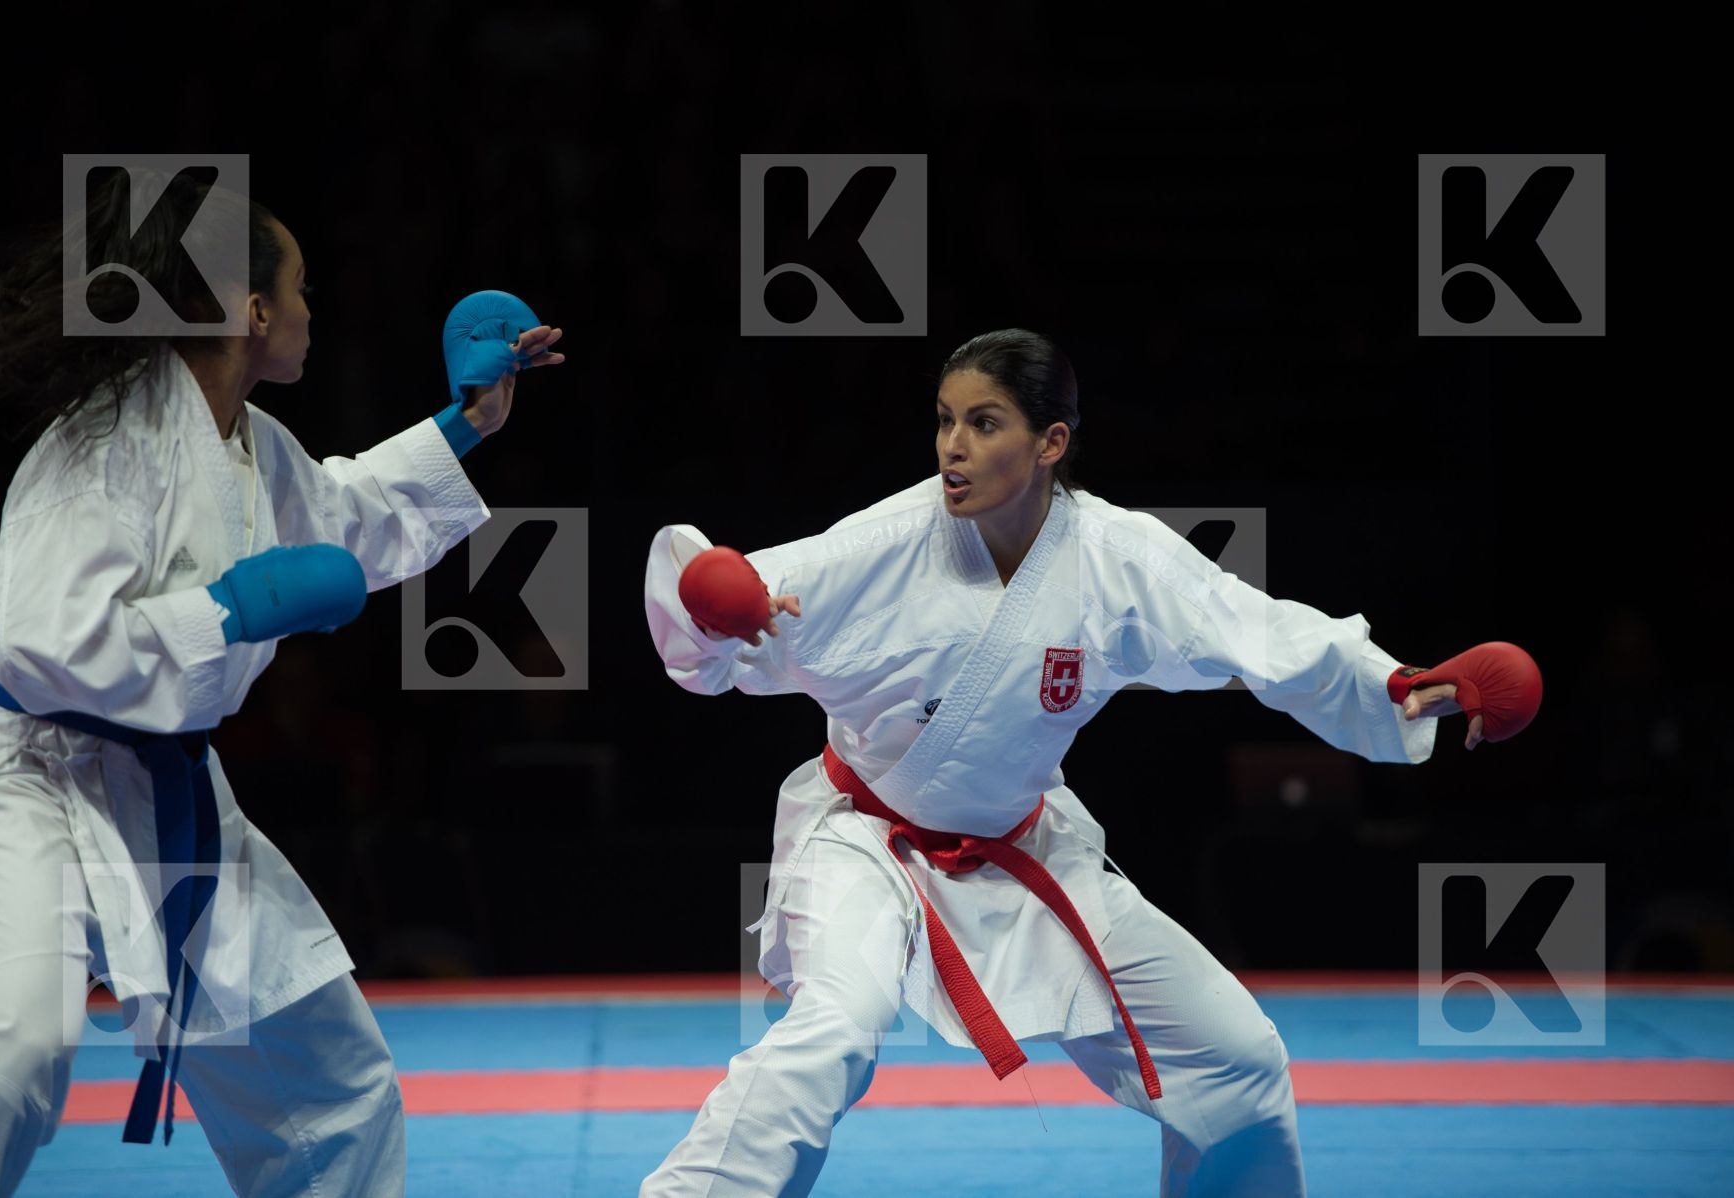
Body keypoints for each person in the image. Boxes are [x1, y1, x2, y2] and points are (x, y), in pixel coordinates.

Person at [641, 328, 1526, 1197]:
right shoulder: (881, 545)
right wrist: (712, 604)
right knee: (837, 1028)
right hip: (866, 842)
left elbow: (1252, 626)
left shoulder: (1115, 558)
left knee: (1240, 1061)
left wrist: (1399, 684)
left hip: (1029, 852)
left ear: (1050, 443)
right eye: (945, 420)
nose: (953, 446)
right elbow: (725, 598)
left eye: (984, 424)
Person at [0, 170, 564, 1196]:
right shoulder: (100, 441)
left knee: (332, 1082)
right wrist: (221, 611)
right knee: (16, 1054)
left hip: (169, 794)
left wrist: (466, 422)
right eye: (302, 288)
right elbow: (44, 641)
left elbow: (346, 510)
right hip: (29, 781)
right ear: (253, 309)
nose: (315, 311)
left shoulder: (253, 446)